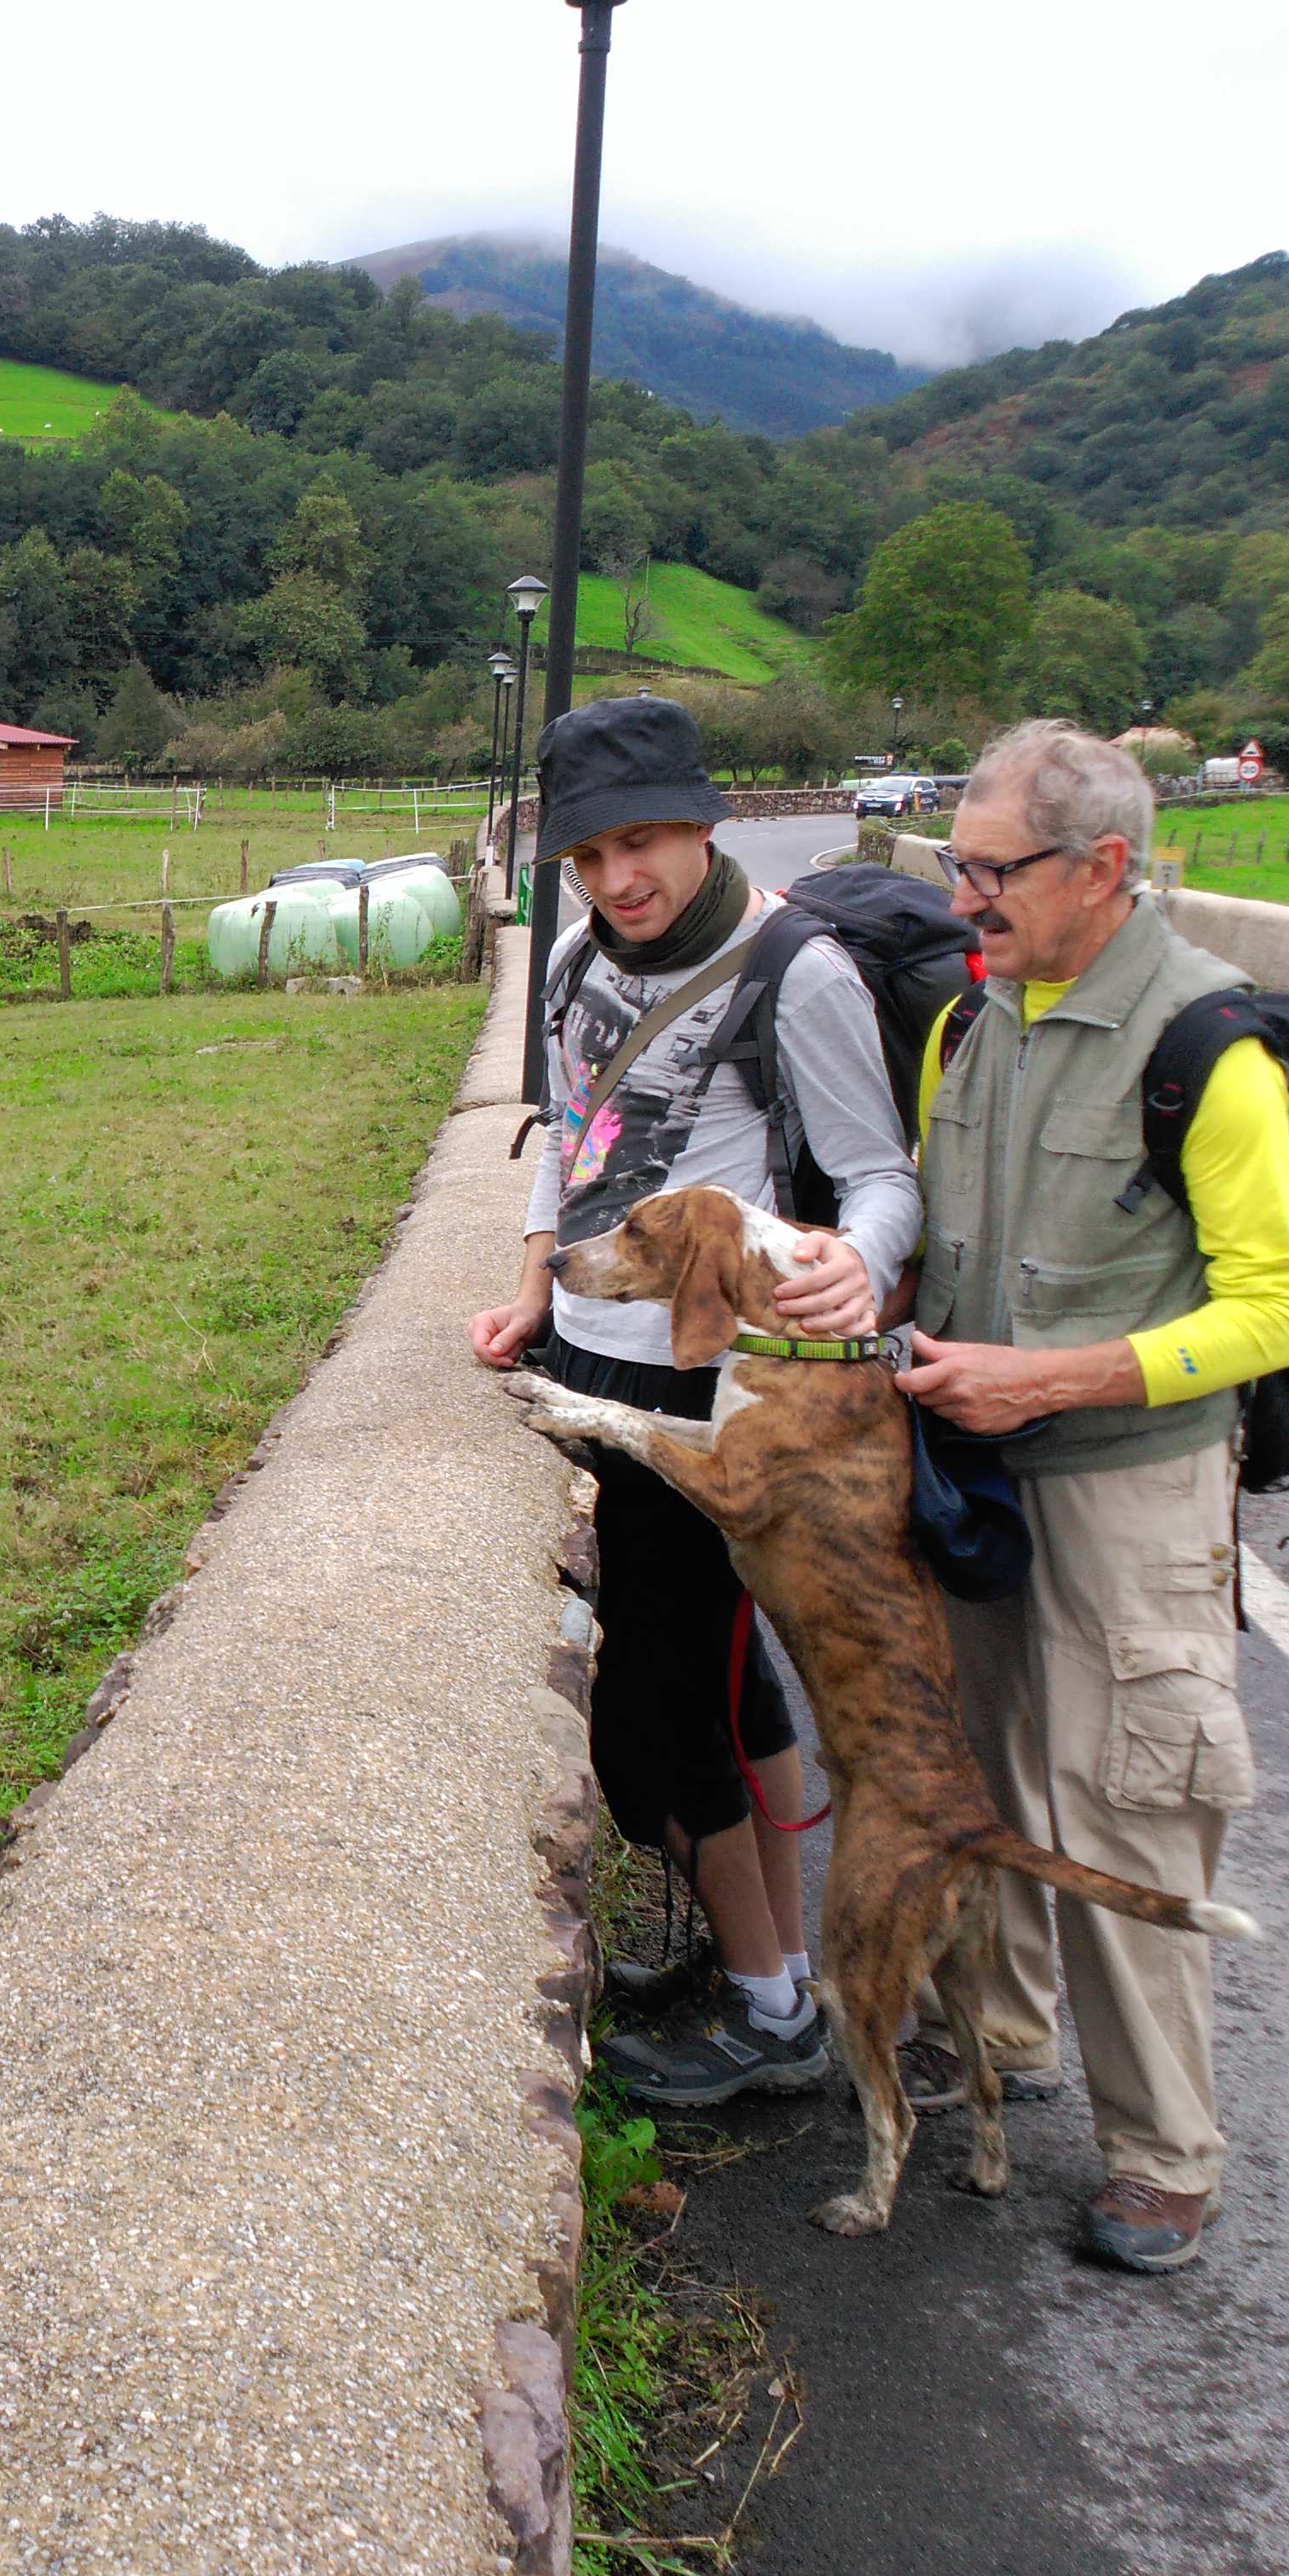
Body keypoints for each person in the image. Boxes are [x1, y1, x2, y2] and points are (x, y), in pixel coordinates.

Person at [893, 718, 1289, 2277]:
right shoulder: (969, 1021)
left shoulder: (1211, 1046)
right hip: (980, 1473)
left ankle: (1164, 2156)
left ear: (1104, 869)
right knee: (984, 1772)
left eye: (992, 871)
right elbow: (939, 1242)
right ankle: (1001, 2040)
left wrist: (1048, 1381)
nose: (963, 900)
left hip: (1132, 1486)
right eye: (957, 862)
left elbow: (1276, 1312)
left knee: (1129, 1803)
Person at [470, 696, 916, 2104]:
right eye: (589, 856)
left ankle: (773, 2011)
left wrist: (863, 1266)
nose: (617, 881)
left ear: (704, 818)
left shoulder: (798, 969)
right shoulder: (579, 961)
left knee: (669, 1698)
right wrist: (539, 1286)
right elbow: (573, 1136)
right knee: (712, 1678)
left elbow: (881, 1175)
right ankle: (759, 1965)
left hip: (711, 1387)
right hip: (588, 1361)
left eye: (643, 842)